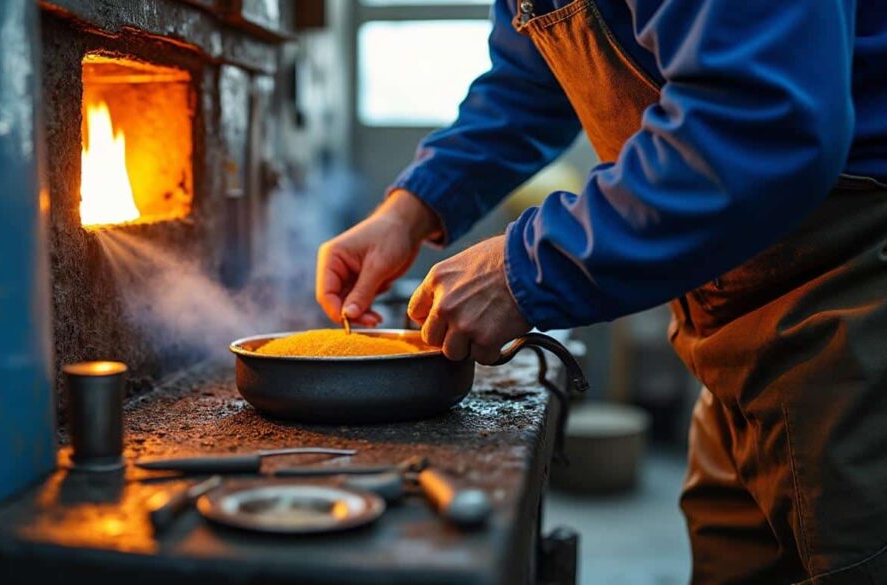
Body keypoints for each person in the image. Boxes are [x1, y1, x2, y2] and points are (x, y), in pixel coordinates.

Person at [315, 0, 887, 583]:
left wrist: (523, 268)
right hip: (729, 329)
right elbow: (529, 85)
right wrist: (407, 211)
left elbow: (760, 126)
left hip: (851, 295)